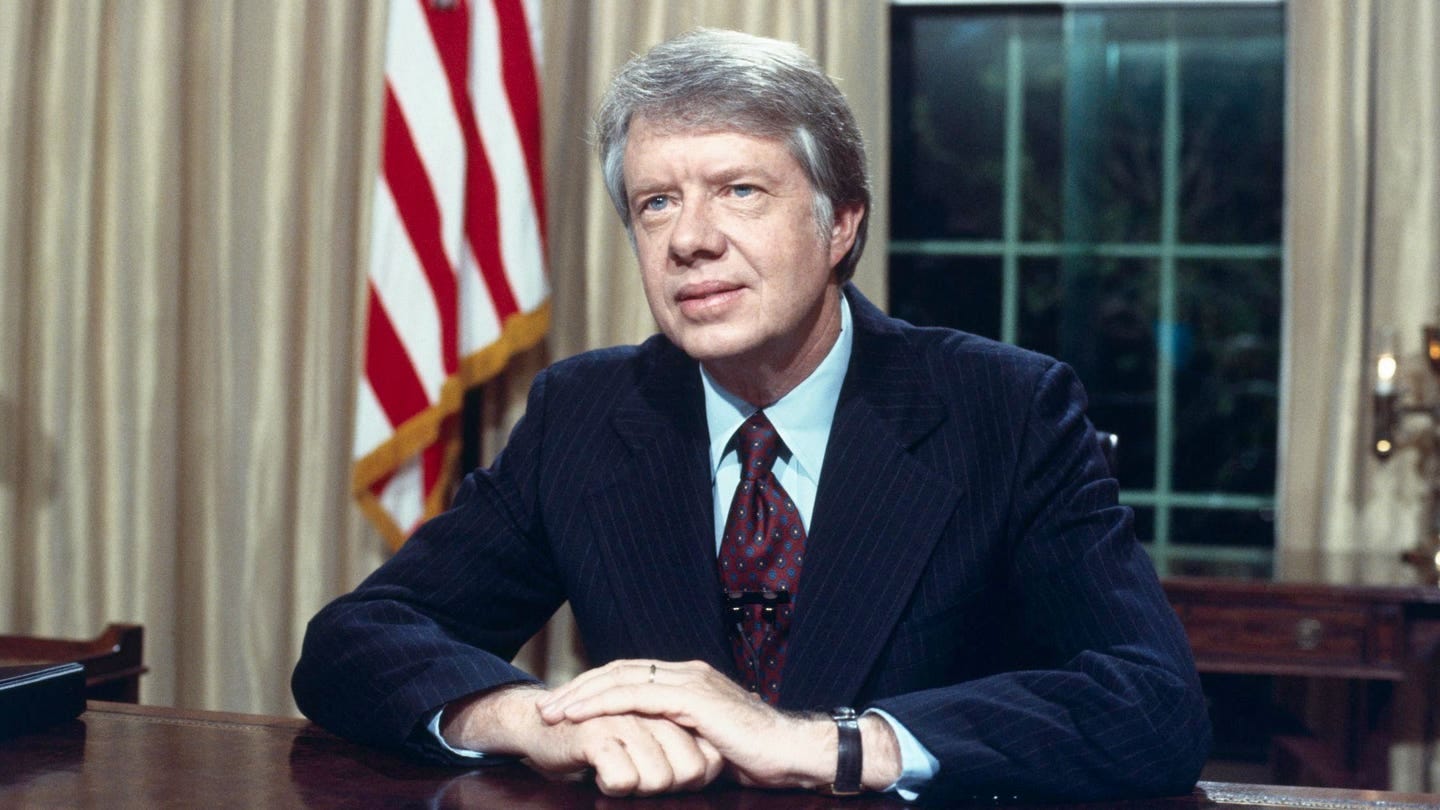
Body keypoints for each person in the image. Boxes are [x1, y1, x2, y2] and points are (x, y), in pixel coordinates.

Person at [293, 28, 1210, 803]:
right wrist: (533, 719)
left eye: (740, 191)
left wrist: (830, 745)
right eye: (657, 204)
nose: (691, 238)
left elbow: (1153, 701)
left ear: (840, 222)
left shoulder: (1003, 410)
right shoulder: (587, 410)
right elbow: (354, 642)